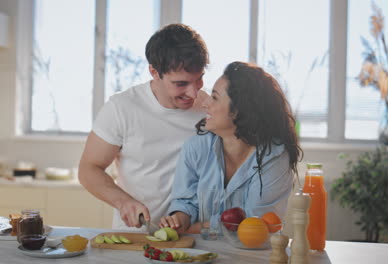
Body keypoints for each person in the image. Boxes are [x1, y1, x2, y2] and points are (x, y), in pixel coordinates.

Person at [78, 23, 209, 230]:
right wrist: (123, 202)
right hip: (136, 235)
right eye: (181, 84)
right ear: (154, 72)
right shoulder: (121, 108)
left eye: (199, 79)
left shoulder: (209, 106)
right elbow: (88, 169)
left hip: (194, 236)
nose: (193, 93)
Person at [160, 61, 303, 233]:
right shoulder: (195, 147)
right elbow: (185, 202)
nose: (205, 104)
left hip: (252, 256)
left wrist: (199, 227)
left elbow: (255, 223)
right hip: (200, 255)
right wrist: (180, 220)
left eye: (214, 97)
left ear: (239, 110)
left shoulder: (274, 156)